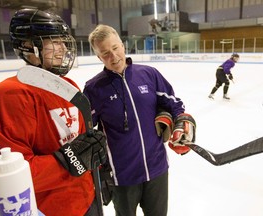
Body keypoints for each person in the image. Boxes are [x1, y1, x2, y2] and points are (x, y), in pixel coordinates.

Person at [0, 9, 107, 216]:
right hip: (51, 210)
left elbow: (85, 144)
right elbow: (13, 177)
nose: (63, 49)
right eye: (55, 41)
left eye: (63, 42)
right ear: (29, 45)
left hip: (88, 199)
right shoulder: (7, 96)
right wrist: (68, 161)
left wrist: (99, 174)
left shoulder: (68, 86)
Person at [83, 24, 196, 216]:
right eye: (105, 53)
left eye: (115, 48)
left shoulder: (149, 74)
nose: (114, 56)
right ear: (98, 57)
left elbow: (173, 103)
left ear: (123, 45)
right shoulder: (94, 88)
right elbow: (83, 129)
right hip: (122, 176)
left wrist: (182, 121)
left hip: (157, 169)